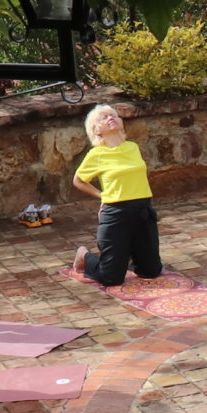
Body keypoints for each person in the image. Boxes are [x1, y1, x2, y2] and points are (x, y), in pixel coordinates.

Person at [68, 105, 162, 288]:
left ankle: (125, 256)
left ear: (121, 123)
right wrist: (101, 196)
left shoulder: (133, 147)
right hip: (116, 215)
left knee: (151, 271)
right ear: (96, 130)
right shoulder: (96, 154)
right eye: (103, 117)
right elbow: (78, 180)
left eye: (113, 115)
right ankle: (84, 256)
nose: (111, 118)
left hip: (143, 212)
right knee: (112, 278)